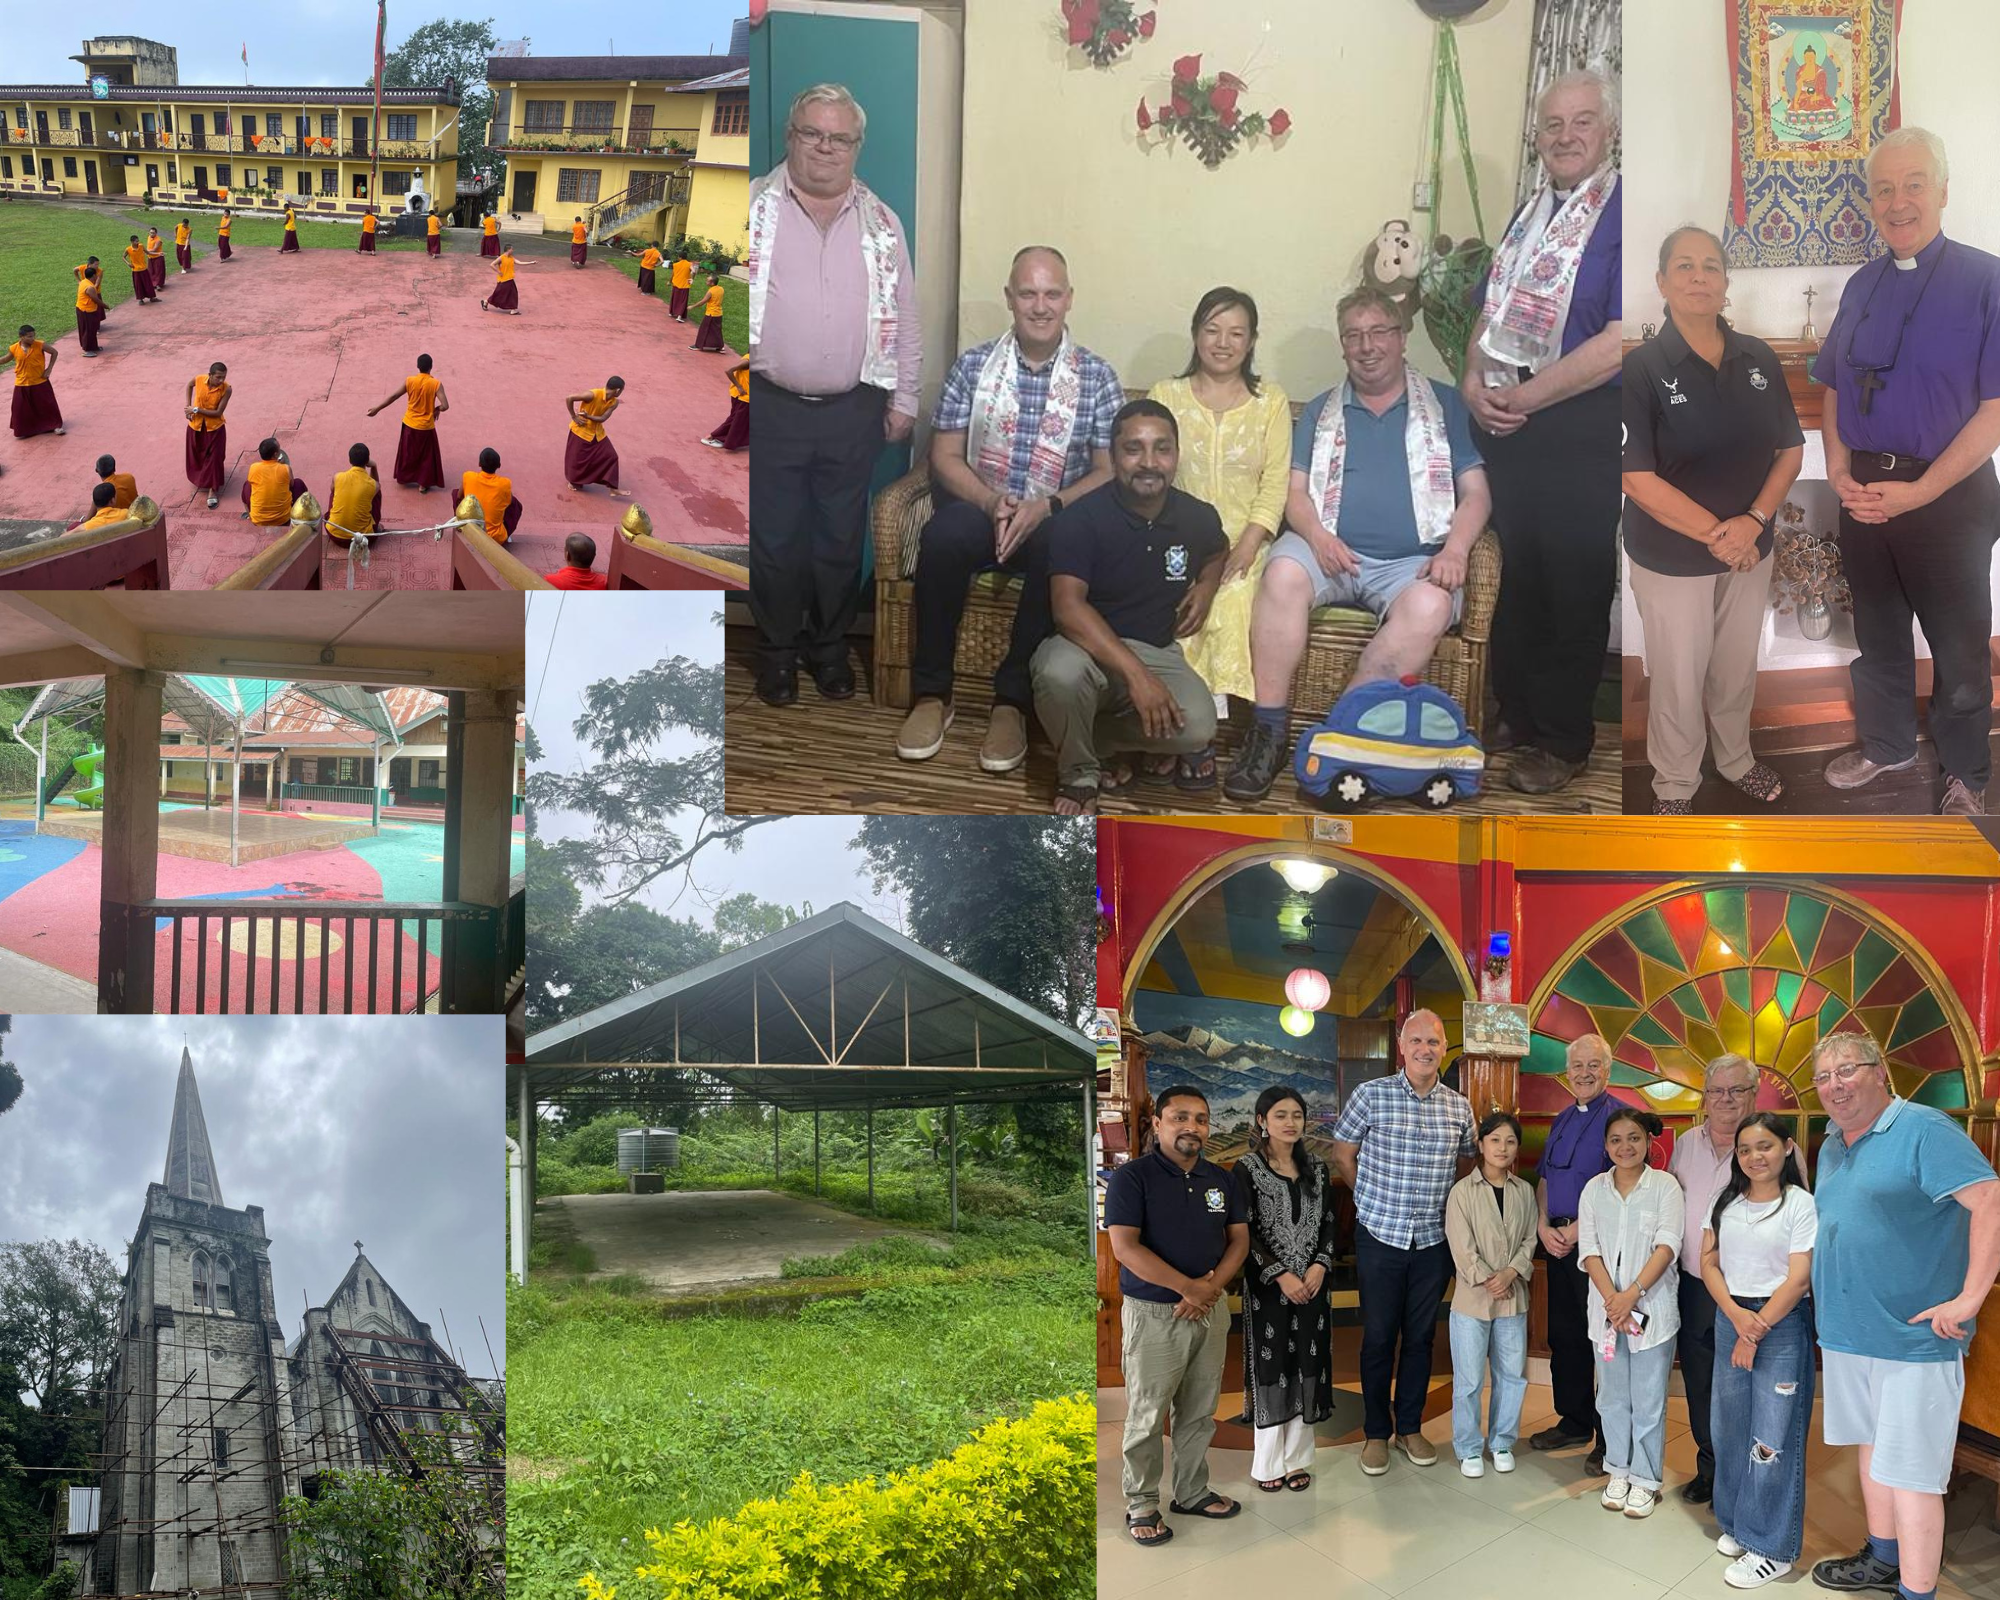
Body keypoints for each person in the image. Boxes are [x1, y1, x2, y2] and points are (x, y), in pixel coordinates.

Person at [1227, 283, 1492, 801]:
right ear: (1342, 345)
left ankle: (1341, 736)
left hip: (1411, 563)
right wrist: (1319, 538)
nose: (1367, 346)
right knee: (1281, 572)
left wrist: (1456, 550)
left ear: (1401, 337)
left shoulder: (1444, 406)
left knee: (1431, 605)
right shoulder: (1323, 411)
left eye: (1378, 333)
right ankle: (1270, 732)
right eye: (1354, 336)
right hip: (1331, 553)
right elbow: (1295, 493)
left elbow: (1476, 493)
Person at [1812, 127, 2000, 816]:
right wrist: (1835, 467)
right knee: (1878, 636)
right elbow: (1833, 383)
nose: (1898, 201)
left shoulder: (1989, 280)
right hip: (1864, 492)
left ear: (1943, 191)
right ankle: (1887, 744)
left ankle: (1967, 774)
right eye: (1884, 188)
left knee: (1959, 651)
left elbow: (1996, 411)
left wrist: (1920, 490)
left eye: (1913, 184)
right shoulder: (1861, 284)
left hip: (1946, 497)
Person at [895, 245, 1120, 771]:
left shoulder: (1096, 376)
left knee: (1060, 545)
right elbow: (944, 456)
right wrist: (992, 500)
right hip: (982, 505)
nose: (1040, 306)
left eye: (1051, 293)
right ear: (1009, 299)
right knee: (943, 535)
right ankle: (933, 695)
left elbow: (1109, 471)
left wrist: (1049, 505)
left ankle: (1011, 703)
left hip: (1052, 518)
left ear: (1069, 300)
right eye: (1028, 293)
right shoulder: (974, 367)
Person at [1461, 68, 1622, 795]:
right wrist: (1472, 381)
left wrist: (1527, 396)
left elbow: (1622, 336)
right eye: (1553, 125)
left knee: (1573, 582)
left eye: (1581, 122)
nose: (1566, 137)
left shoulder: (1623, 211)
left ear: (1608, 131)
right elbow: (1488, 314)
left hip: (1578, 424)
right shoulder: (1528, 214)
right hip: (1509, 421)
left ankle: (1562, 739)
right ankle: (1517, 715)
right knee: (1519, 578)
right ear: (1538, 137)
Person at [1806, 1032, 2000, 1598]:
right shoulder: (1834, 1142)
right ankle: (1882, 1559)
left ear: (1880, 1072)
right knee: (1871, 1453)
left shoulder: (1924, 1129)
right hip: (1848, 1334)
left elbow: (1988, 1200)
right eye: (1823, 1077)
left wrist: (1970, 1299)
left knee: (1913, 1478)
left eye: (1847, 1070)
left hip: (1914, 1339)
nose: (1834, 1085)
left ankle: (1918, 1592)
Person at [748, 82, 923, 707]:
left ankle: (828, 650)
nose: (825, 147)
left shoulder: (882, 223)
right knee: (774, 542)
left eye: (839, 138)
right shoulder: (754, 209)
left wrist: (906, 398)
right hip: (769, 406)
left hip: (854, 408)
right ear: (791, 138)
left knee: (839, 540)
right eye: (812, 134)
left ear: (856, 146)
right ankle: (775, 656)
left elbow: (905, 314)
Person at [1624, 227, 1803, 814]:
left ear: (1726, 283)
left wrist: (1753, 522)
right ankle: (1675, 784)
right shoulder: (1641, 369)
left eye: (1710, 266)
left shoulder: (1759, 358)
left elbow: (1789, 450)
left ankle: (1736, 759)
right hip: (1673, 559)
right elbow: (1636, 477)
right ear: (1662, 283)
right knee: (1676, 677)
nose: (1699, 276)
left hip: (1751, 549)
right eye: (1684, 266)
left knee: (1734, 668)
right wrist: (1721, 537)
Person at [1031, 402, 1225, 814]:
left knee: (1199, 726)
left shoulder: (1197, 516)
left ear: (1176, 455)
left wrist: (1206, 588)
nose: (1149, 463)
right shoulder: (1081, 519)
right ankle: (1078, 772)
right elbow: (1067, 608)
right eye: (1134, 449)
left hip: (1156, 649)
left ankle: (1095, 738)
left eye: (1162, 449)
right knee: (1057, 674)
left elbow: (1217, 550)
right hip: (1085, 646)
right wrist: (1139, 677)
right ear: (1114, 455)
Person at [1147, 286, 1292, 787]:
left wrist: (1249, 544)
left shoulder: (1268, 402)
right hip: (1173, 539)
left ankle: (1198, 736)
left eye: (1236, 333)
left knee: (1229, 599)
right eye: (1212, 330)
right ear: (1195, 334)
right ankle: (1179, 732)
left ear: (1251, 342)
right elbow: (1148, 475)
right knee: (1172, 599)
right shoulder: (1166, 395)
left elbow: (1275, 485)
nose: (1223, 342)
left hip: (1245, 540)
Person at [1328, 1008, 1476, 1475]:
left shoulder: (1459, 1106)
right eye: (1416, 1041)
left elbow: (1467, 1164)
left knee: (1419, 1337)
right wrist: (1369, 1200)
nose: (1425, 1050)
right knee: (1377, 1336)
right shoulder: (1370, 1096)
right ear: (1401, 1046)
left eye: (1433, 1042)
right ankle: (1375, 1431)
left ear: (1444, 1047)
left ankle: (1408, 1426)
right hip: (1381, 1236)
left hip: (1434, 1240)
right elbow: (1343, 1153)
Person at [1104, 1084, 1249, 1548]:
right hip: (1154, 1313)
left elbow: (1239, 1242)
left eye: (1201, 1119)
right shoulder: (1133, 1178)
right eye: (1180, 1117)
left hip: (1209, 1312)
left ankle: (1191, 1491)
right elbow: (1125, 1248)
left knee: (1200, 1410)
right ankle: (1142, 1502)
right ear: (1158, 1124)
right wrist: (1189, 1288)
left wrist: (1210, 1291)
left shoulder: (1221, 1179)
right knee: (1148, 1413)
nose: (1192, 1127)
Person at [1699, 1112, 1817, 1589]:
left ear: (1787, 1148)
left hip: (1781, 1324)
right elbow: (1708, 1262)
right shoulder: (1724, 1200)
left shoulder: (1800, 1204)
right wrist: (1735, 1316)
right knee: (1729, 1427)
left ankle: (1773, 1547)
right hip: (1733, 1318)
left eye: (1764, 1146)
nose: (1754, 1157)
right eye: (1745, 1149)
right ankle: (1737, 1522)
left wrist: (1757, 1327)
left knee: (1772, 1438)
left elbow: (1800, 1277)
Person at [1576, 1106, 1680, 1518]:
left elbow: (1667, 1245)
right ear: (1606, 1146)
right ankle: (1617, 1469)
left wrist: (1632, 1294)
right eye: (1616, 1139)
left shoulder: (1665, 1187)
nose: (1625, 1146)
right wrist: (1614, 1302)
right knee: (1612, 1398)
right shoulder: (1593, 1190)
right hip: (1607, 1315)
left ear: (1648, 1141)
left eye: (1634, 1137)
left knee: (1649, 1400)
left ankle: (1646, 1478)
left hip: (1651, 1313)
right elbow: (1590, 1250)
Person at [1666, 1052, 1760, 1508]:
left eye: (1736, 1090)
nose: (1725, 1099)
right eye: (1717, 1091)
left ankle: (1746, 1474)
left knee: (1743, 1381)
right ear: (1704, 1098)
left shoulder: (1773, 1146)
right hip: (1693, 1284)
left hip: (1750, 1291)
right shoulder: (1684, 1144)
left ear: (1753, 1095)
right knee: (1700, 1377)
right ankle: (1710, 1467)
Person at [1231, 1087, 1335, 1494]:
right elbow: (1244, 1232)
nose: (1290, 1122)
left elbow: (1328, 1222)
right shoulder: (1246, 1168)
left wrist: (1320, 1265)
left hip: (1313, 1287)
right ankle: (1268, 1462)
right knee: (1272, 1368)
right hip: (1268, 1290)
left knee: (1308, 1363)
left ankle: (1298, 1459)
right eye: (1280, 1115)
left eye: (1296, 1115)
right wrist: (1280, 1275)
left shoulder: (1318, 1169)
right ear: (1262, 1121)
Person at [1532, 1032, 1616, 1470]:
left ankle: (1609, 1437)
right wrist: (1543, 1224)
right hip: (1558, 1243)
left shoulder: (1620, 1118)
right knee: (1564, 1335)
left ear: (1607, 1069)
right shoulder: (1561, 1119)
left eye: (1593, 1065)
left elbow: (1621, 1185)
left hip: (1597, 1247)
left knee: (1604, 1342)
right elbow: (1545, 1179)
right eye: (1577, 1066)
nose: (1584, 1073)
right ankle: (1574, 1420)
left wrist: (1580, 1229)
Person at [1444, 1110, 1536, 1479]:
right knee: (1468, 1380)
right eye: (1495, 1140)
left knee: (1512, 1376)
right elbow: (1461, 1246)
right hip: (1471, 1301)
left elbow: (1530, 1238)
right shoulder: (1462, 1192)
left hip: (1513, 1298)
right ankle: (1467, 1447)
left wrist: (1512, 1271)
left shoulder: (1524, 1191)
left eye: (1510, 1141)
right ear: (1480, 1145)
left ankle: (1501, 1442)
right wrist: (1489, 1278)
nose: (1502, 1147)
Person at [367, 354, 449, 494]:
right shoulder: (436, 384)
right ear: (431, 367)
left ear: (418, 367)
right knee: (426, 456)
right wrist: (436, 409)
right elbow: (445, 405)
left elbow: (393, 396)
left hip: (409, 424)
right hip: (426, 426)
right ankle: (423, 485)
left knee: (408, 453)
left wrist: (377, 409)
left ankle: (404, 477)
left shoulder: (410, 381)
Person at [564, 379, 629, 497]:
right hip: (581, 431)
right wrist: (574, 416)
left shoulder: (614, 402)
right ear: (618, 390)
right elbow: (569, 398)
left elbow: (603, 418)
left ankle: (613, 488)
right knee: (577, 459)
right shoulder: (592, 394)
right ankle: (573, 481)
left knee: (611, 455)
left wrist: (588, 416)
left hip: (597, 433)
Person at [184, 362, 231, 508]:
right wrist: (188, 407)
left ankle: (213, 489)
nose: (221, 381)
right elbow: (189, 385)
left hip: (215, 428)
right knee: (197, 455)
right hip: (196, 426)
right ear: (210, 375)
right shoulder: (199, 379)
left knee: (215, 458)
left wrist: (196, 409)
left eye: (223, 377)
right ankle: (202, 479)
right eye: (218, 377)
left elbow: (218, 413)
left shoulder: (227, 389)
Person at [9, 327, 63, 439]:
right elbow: (5, 359)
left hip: (39, 380)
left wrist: (49, 369)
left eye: (33, 335)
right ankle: (26, 430)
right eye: (29, 336)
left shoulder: (40, 345)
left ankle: (56, 425)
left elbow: (54, 352)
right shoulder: (14, 348)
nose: (32, 338)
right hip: (22, 382)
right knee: (19, 408)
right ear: (21, 337)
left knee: (48, 405)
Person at [324, 443, 383, 543]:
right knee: (375, 493)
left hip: (334, 535)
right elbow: (377, 484)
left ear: (349, 460)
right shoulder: (373, 485)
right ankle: (375, 525)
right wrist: (374, 467)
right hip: (362, 539)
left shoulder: (338, 477)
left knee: (334, 491)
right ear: (367, 461)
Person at [239, 439, 305, 526]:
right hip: (283, 519)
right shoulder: (285, 468)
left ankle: (249, 514)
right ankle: (301, 518)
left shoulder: (253, 468)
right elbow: (291, 485)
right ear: (275, 455)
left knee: (247, 485)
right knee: (298, 484)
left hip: (258, 520)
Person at [461, 448, 523, 540]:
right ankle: (505, 533)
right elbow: (509, 502)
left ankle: (462, 523)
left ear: (479, 464)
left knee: (457, 494)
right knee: (515, 503)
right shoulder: (504, 484)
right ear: (499, 465)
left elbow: (458, 496)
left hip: (470, 532)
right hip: (494, 538)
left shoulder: (468, 476)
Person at [702, 361, 750, 451]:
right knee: (736, 420)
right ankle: (715, 436)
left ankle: (724, 438)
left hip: (745, 396)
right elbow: (729, 371)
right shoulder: (748, 361)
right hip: (743, 397)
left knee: (739, 419)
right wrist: (739, 386)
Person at [482, 246, 527, 314]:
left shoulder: (511, 258)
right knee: (499, 294)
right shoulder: (501, 257)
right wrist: (498, 272)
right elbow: (492, 264)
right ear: (508, 249)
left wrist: (531, 262)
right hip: (503, 280)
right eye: (512, 249)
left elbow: (519, 262)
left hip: (510, 279)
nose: (512, 250)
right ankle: (486, 301)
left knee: (513, 293)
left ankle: (513, 309)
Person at [74, 265, 105, 357]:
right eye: (96, 275)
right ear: (93, 276)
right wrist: (105, 306)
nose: (97, 276)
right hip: (85, 310)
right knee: (88, 330)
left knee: (93, 329)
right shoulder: (89, 287)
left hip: (90, 309)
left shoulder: (84, 282)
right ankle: (87, 350)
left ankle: (93, 346)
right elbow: (96, 299)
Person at [692, 277, 728, 352]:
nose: (706, 281)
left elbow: (703, 302)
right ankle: (720, 346)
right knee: (716, 330)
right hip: (719, 313)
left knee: (703, 329)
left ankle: (698, 345)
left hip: (711, 313)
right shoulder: (721, 289)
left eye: (707, 281)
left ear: (712, 283)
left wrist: (692, 306)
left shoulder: (711, 291)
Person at [124, 236, 158, 304]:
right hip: (136, 270)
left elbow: (148, 253)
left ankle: (152, 297)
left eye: (138, 241)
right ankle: (141, 299)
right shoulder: (128, 249)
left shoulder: (141, 246)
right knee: (138, 285)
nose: (137, 242)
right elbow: (123, 257)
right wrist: (128, 263)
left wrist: (158, 253)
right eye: (136, 241)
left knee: (148, 284)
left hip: (144, 269)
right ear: (132, 242)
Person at [668, 250, 695, 320]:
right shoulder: (689, 264)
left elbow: (673, 274)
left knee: (675, 298)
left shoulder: (676, 264)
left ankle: (671, 312)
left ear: (680, 257)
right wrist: (692, 279)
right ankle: (679, 315)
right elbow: (694, 271)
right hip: (684, 285)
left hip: (676, 284)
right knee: (683, 301)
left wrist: (669, 281)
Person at [145, 226, 167, 291]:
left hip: (158, 257)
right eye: (151, 233)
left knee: (158, 272)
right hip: (150, 257)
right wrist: (147, 252)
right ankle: (152, 284)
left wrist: (146, 251)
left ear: (156, 233)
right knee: (151, 271)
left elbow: (154, 249)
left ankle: (158, 285)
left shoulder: (158, 240)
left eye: (153, 233)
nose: (152, 234)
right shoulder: (149, 237)